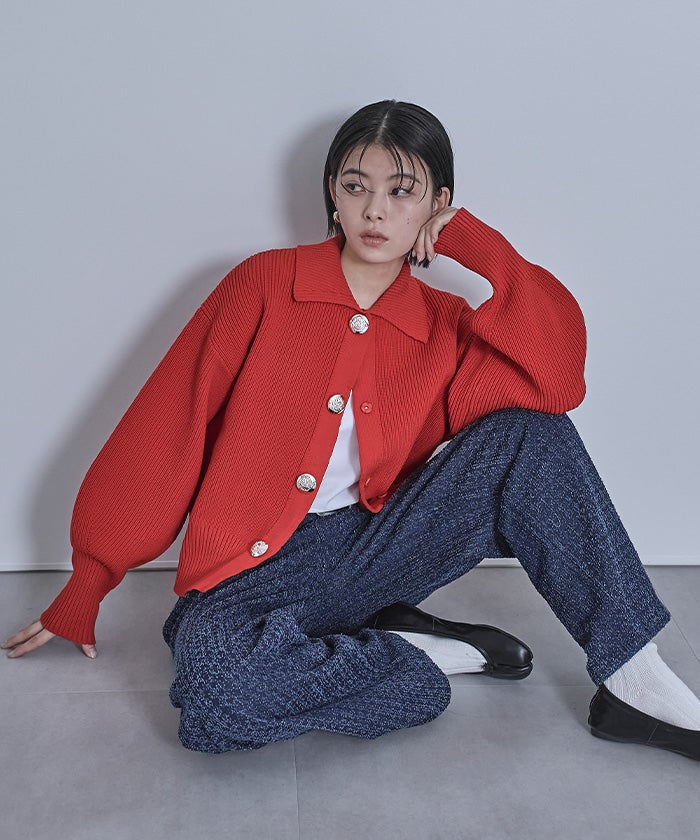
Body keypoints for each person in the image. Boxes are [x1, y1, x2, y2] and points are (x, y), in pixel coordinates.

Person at [4, 101, 700, 760]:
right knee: (215, 699)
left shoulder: (443, 324)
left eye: (402, 191)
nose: (375, 210)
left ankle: (636, 681)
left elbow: (556, 381)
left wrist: (479, 246)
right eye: (355, 185)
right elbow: (167, 424)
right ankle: (413, 651)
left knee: (531, 435)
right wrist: (91, 578)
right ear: (332, 194)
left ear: (438, 204)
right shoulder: (263, 284)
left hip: (376, 546)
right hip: (251, 566)